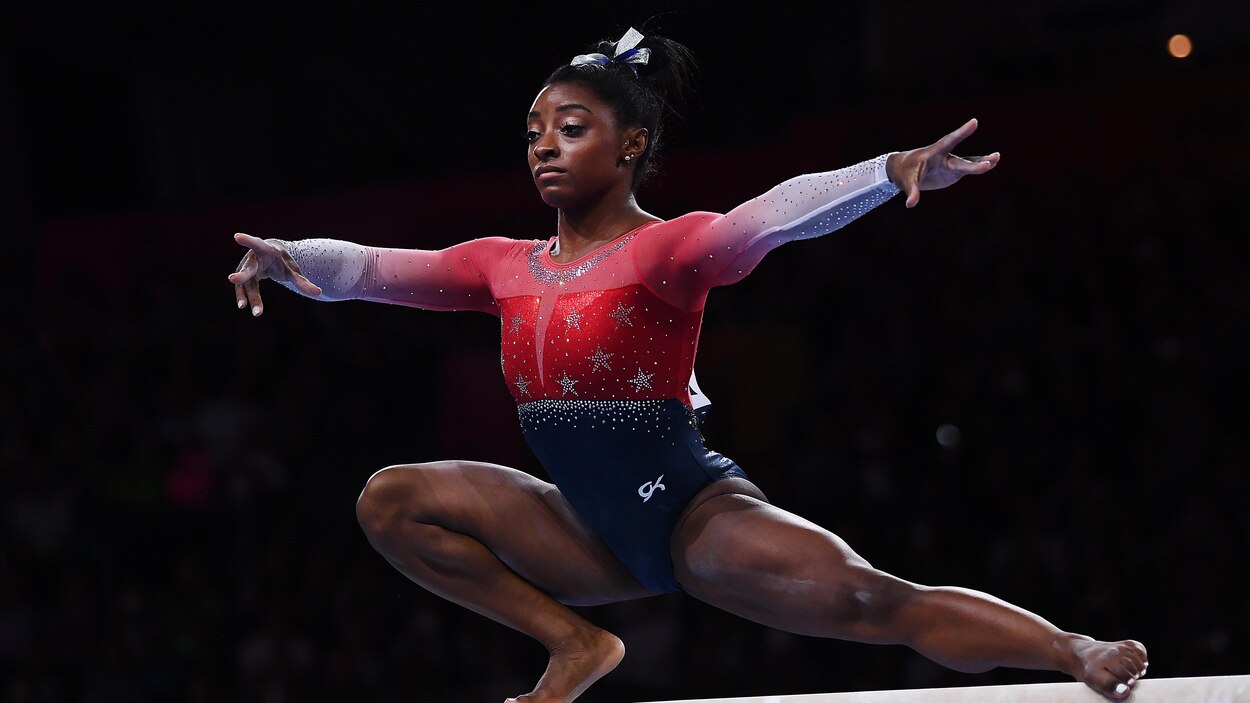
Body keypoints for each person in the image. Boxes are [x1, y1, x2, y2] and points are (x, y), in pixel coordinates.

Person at [228, 25, 1147, 703]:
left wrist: (884, 169)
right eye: (537, 129)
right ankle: (576, 643)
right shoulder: (501, 265)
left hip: (690, 518)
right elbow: (378, 270)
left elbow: (772, 213)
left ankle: (1074, 650)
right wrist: (282, 254)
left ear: (628, 146)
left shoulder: (669, 253)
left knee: (874, 599)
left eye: (573, 127)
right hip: (580, 529)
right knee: (390, 498)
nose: (545, 144)